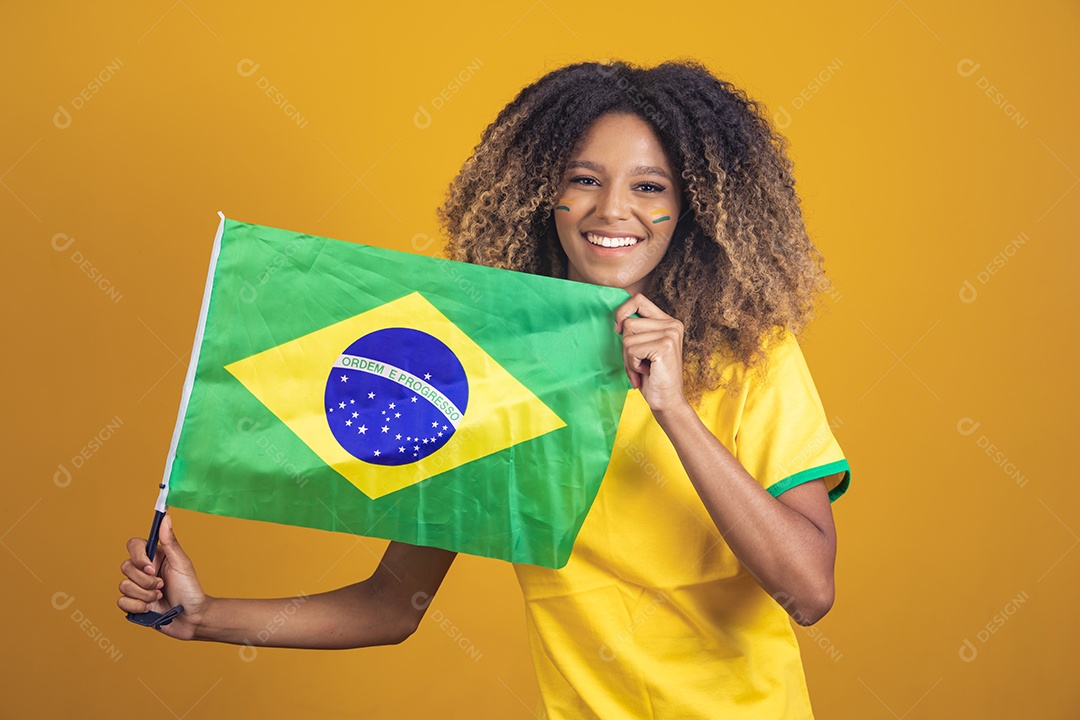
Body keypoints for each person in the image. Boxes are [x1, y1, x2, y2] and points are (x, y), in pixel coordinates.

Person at [118, 59, 851, 718]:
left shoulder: (749, 358)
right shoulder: (487, 375)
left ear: (693, 208)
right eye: (583, 180)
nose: (611, 211)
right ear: (543, 196)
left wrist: (674, 411)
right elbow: (392, 604)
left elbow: (808, 591)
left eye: (649, 187)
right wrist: (205, 615)